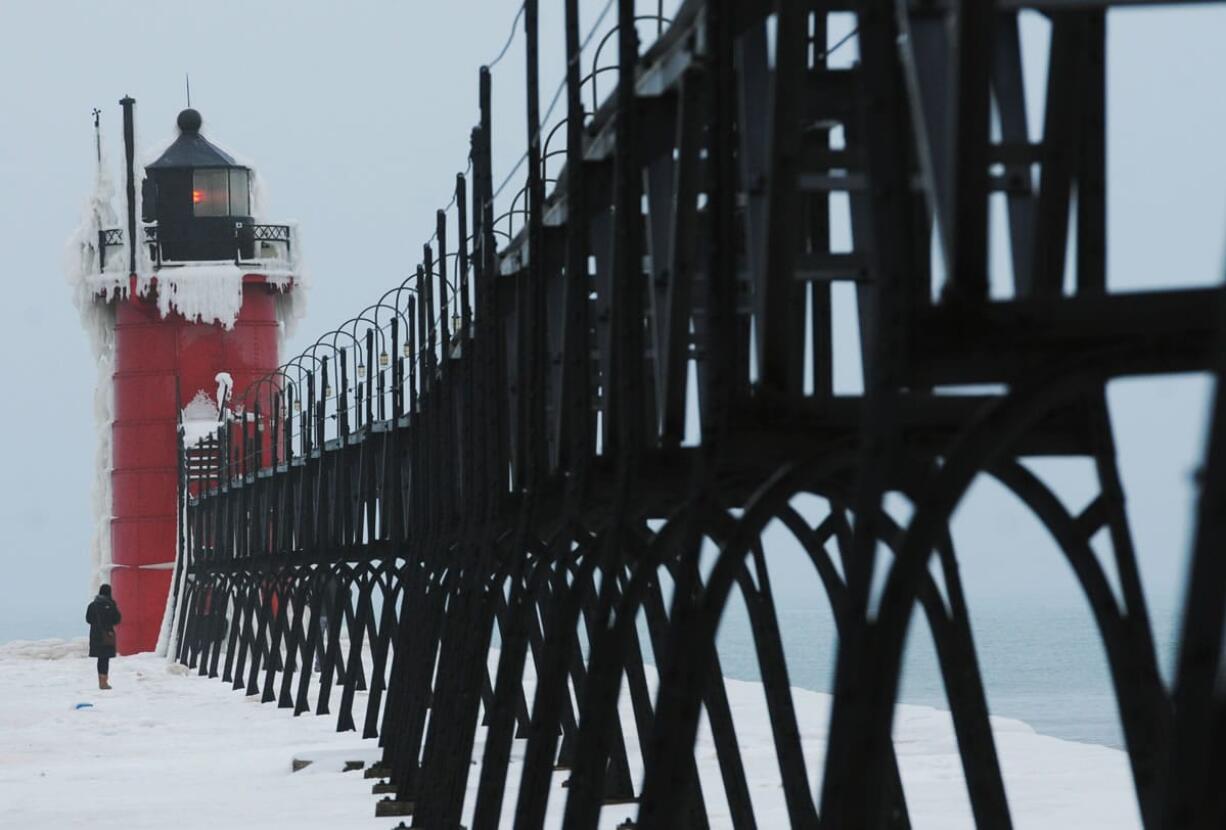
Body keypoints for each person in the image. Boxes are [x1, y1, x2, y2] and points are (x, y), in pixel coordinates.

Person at [86, 584, 122, 690]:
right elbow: (117, 619)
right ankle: (104, 682)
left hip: (95, 635)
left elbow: (88, 619)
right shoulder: (111, 604)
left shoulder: (92, 605)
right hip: (107, 634)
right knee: (105, 659)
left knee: (100, 658)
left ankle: (101, 681)